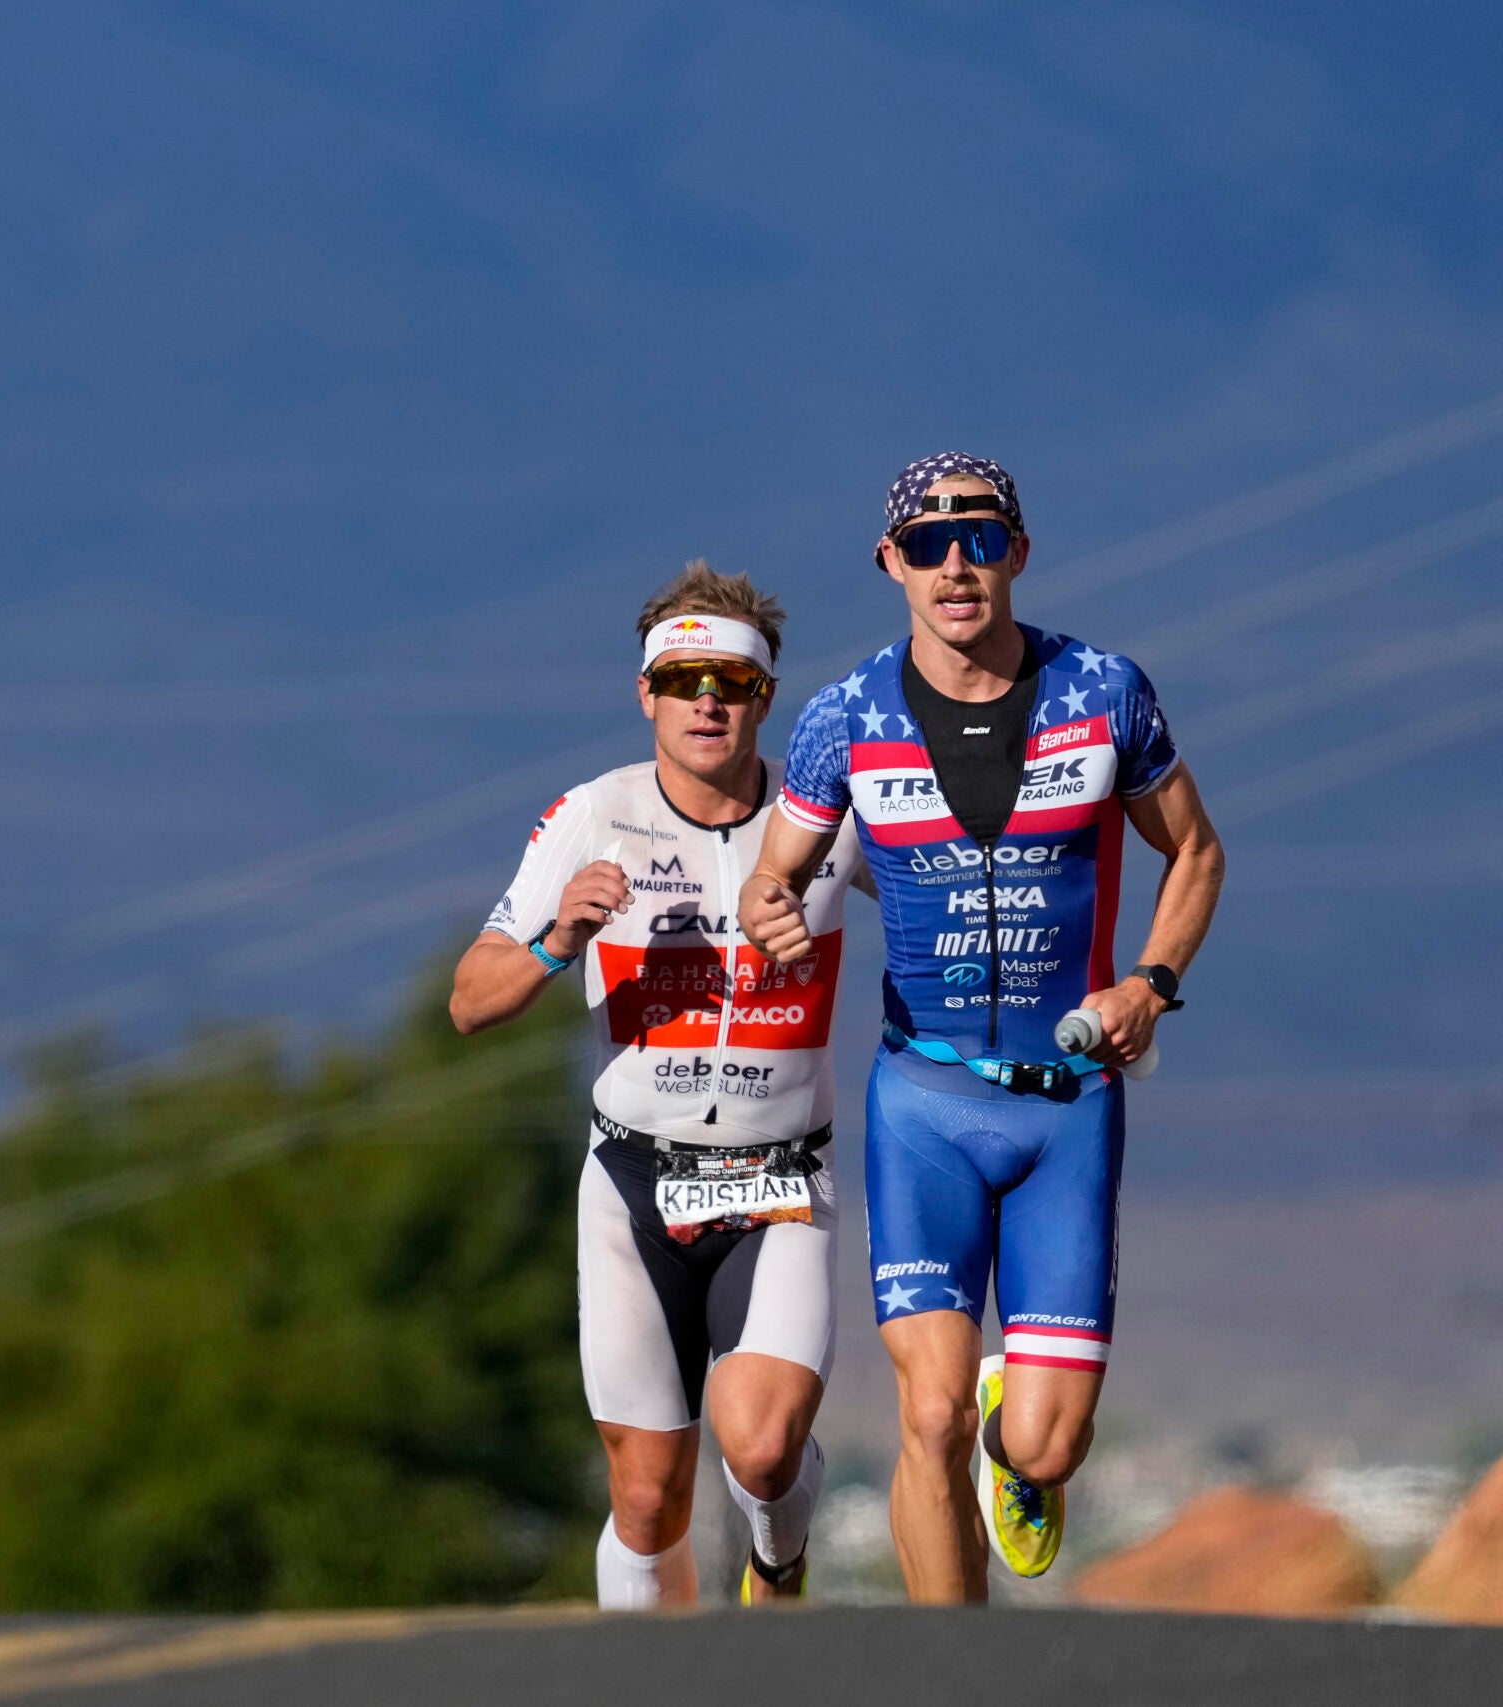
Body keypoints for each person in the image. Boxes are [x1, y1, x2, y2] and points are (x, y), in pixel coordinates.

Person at [737, 452, 1225, 1602]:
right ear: (889, 564)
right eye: (927, 545)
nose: (955, 565)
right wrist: (773, 919)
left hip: (1066, 1109)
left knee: (1044, 1443)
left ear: (1016, 550)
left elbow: (1194, 849)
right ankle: (948, 1670)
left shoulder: (1101, 690)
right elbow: (773, 880)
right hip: (924, 1105)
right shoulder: (843, 717)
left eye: (979, 538)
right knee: (930, 1412)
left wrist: (1147, 986)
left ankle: (1027, 1445)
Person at [451, 561, 862, 1609]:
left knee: (764, 1453)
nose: (706, 701)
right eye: (682, 680)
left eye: (729, 682)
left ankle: (779, 1562)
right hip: (632, 1187)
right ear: (646, 695)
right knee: (645, 1500)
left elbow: (957, 886)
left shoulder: (833, 814)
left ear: (764, 698)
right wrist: (556, 942)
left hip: (778, 1183)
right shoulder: (595, 814)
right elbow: (470, 998)